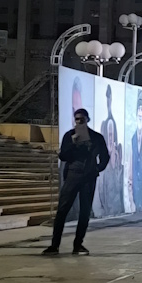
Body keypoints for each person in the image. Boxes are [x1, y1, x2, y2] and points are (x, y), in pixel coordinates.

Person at [45, 108, 110, 256]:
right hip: (73, 176)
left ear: (87, 120)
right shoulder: (69, 136)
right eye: (77, 119)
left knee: (85, 211)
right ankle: (54, 246)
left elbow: (105, 156)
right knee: (62, 210)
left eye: (82, 119)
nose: (79, 122)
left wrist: (97, 168)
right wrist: (73, 144)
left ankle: (78, 245)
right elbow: (63, 156)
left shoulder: (96, 137)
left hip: (88, 177)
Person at [127, 90, 142, 212]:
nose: (140, 113)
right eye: (139, 109)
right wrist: (131, 201)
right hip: (134, 193)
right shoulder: (132, 140)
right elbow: (129, 174)